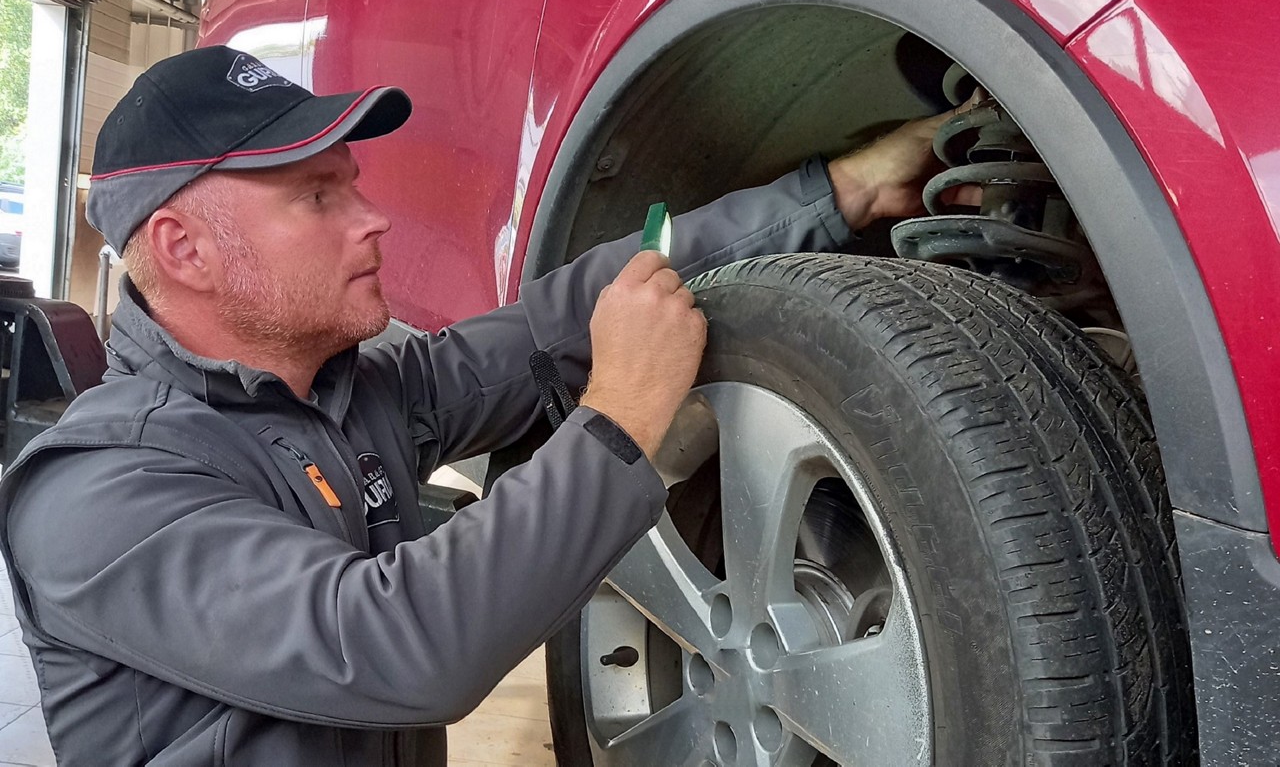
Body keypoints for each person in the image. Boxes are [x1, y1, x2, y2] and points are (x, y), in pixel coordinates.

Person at [0, 46, 967, 765]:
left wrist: (835, 192)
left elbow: (555, 323)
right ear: (184, 250)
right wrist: (620, 416)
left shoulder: (350, 393)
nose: (372, 217)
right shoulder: (98, 494)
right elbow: (397, 643)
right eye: (317, 197)